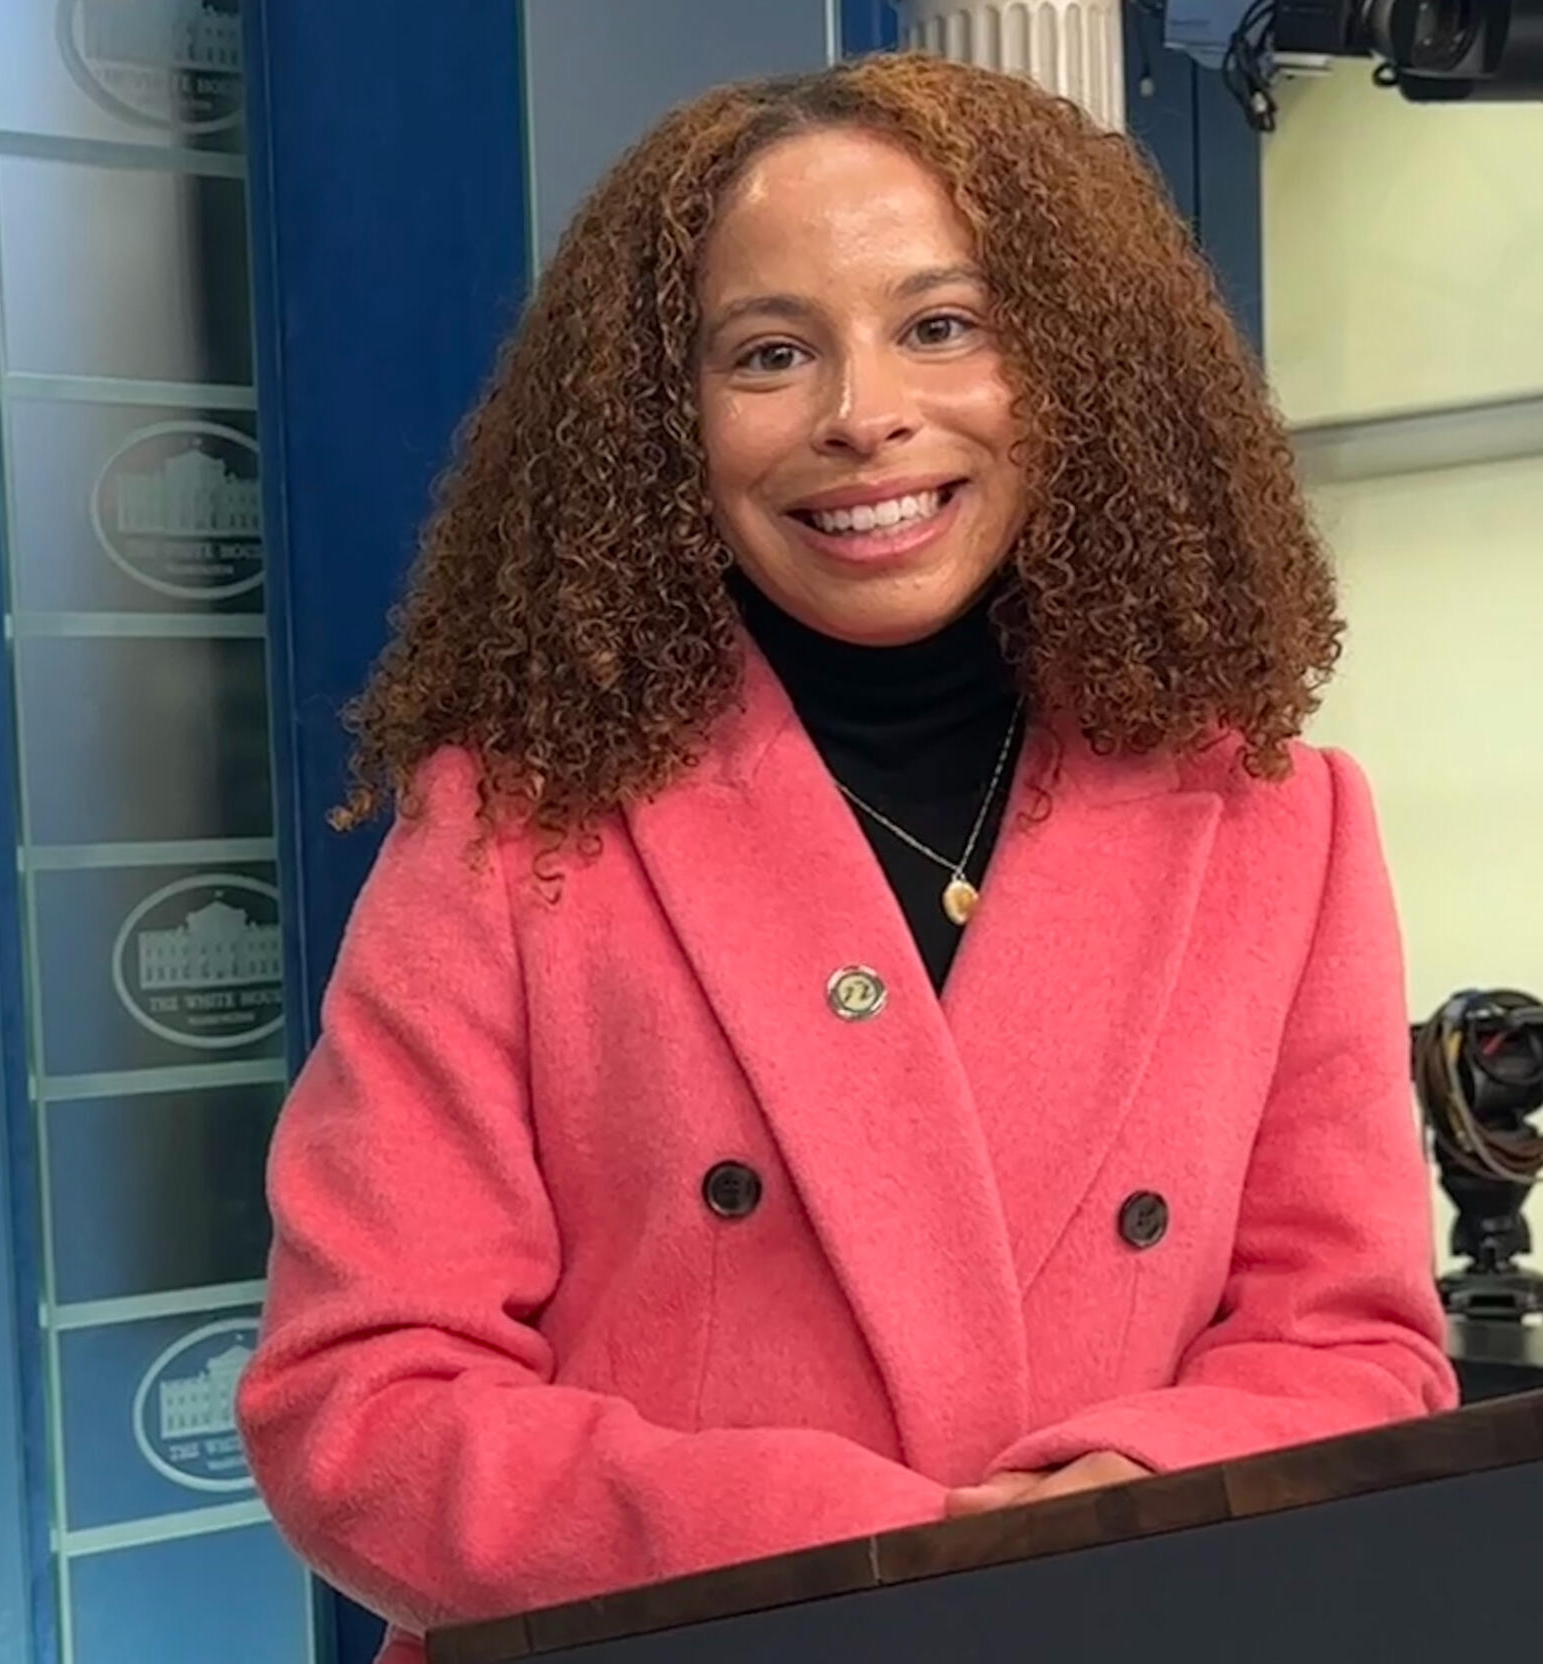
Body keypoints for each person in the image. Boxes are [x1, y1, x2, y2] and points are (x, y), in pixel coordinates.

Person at [236, 53, 1456, 1664]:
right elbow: (360, 1404)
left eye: (942, 326)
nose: (864, 413)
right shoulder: (509, 830)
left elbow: (1355, 1346)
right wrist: (861, 1562)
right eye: (769, 352)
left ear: (1081, 366)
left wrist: (1122, 1512)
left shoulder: (1280, 823)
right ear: (663, 425)